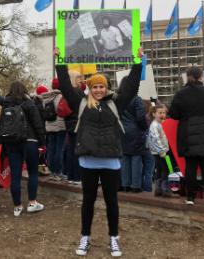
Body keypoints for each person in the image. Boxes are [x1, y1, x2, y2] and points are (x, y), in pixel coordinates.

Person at [55, 47, 142, 257]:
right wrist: (59, 61)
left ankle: (114, 238)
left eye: (102, 86)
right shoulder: (82, 104)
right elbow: (66, 87)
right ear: (90, 88)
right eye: (95, 87)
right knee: (88, 201)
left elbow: (131, 86)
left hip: (111, 161)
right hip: (88, 161)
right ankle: (85, 237)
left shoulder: (116, 104)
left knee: (112, 201)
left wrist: (138, 61)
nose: (99, 90)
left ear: (107, 87)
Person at [168, 67, 204, 207]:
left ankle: (190, 197)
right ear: (201, 77)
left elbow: (173, 114)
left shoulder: (180, 94)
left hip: (187, 134)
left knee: (190, 167)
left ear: (187, 77)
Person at [3, 81, 45, 216]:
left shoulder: (6, 104)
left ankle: (17, 206)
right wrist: (42, 142)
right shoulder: (29, 103)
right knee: (33, 172)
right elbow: (37, 123)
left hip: (12, 142)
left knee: (15, 175)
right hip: (30, 141)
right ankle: (32, 203)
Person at [120, 95, 148, 193]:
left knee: (125, 158)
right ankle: (136, 186)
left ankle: (125, 185)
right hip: (135, 131)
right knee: (136, 158)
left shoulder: (119, 98)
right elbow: (141, 117)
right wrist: (144, 128)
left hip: (122, 130)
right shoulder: (136, 99)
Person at [41, 83, 67, 181]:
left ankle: (52, 172)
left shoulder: (46, 97)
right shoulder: (60, 97)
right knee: (59, 150)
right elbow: (61, 110)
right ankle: (58, 172)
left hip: (49, 126)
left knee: (51, 150)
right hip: (60, 126)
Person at [63, 71, 84, 184]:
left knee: (71, 151)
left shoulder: (69, 92)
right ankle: (77, 177)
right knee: (77, 152)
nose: (80, 80)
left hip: (69, 124)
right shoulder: (78, 92)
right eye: (78, 78)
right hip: (78, 124)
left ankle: (71, 176)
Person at [147, 104, 172, 197]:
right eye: (160, 113)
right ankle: (165, 189)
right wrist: (162, 151)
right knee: (165, 169)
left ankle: (159, 189)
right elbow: (156, 139)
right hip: (161, 152)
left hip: (165, 150)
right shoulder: (154, 125)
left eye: (164, 113)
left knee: (162, 169)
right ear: (154, 114)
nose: (162, 115)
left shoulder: (162, 123)